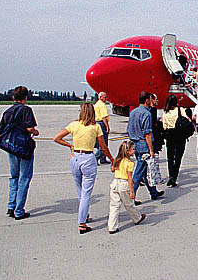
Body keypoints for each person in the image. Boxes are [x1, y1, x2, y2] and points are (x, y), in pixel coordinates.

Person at [53, 102, 114, 234]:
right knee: (86, 193)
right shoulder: (95, 127)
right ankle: (82, 223)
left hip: (75, 158)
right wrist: (112, 159)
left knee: (80, 189)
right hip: (88, 158)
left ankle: (84, 214)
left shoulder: (74, 125)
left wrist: (70, 146)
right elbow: (103, 146)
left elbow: (57, 138)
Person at [0, 86, 39, 220]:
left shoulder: (7, 112)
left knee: (14, 176)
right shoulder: (26, 110)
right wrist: (35, 132)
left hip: (11, 148)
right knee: (24, 178)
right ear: (25, 97)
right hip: (24, 148)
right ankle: (19, 211)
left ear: (13, 98)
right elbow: (29, 127)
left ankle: (11, 206)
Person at [127, 91, 165, 204]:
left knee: (143, 171)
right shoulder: (146, 114)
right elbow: (147, 133)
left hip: (135, 143)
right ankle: (131, 197)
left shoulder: (133, 112)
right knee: (139, 172)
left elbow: (129, 129)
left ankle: (153, 192)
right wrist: (151, 150)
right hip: (144, 144)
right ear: (147, 100)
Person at [108, 141, 146, 234]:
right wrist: (132, 191)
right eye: (133, 149)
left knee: (114, 206)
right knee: (129, 204)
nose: (134, 151)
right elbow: (129, 178)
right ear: (128, 151)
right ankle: (137, 218)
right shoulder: (130, 163)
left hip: (115, 182)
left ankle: (112, 227)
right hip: (124, 184)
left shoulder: (118, 159)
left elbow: (113, 170)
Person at [162, 94, 189, 187]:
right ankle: (174, 177)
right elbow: (186, 119)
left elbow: (164, 126)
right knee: (178, 157)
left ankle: (170, 175)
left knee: (170, 156)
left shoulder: (165, 112)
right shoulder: (180, 110)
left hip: (169, 134)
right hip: (180, 135)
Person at [94, 92, 110, 165]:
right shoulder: (102, 105)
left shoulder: (97, 104)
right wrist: (107, 126)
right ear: (100, 97)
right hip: (101, 123)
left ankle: (103, 158)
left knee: (100, 142)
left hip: (97, 123)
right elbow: (104, 117)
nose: (106, 99)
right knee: (103, 143)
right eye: (105, 97)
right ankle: (96, 158)